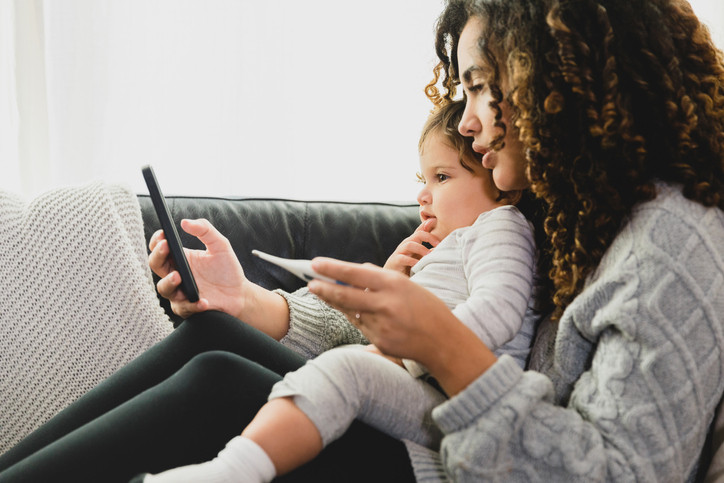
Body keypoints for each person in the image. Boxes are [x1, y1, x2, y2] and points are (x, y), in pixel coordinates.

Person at [1, 0, 724, 481]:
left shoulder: (671, 250)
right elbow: (392, 345)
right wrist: (256, 304)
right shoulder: (567, 210)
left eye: (479, 86)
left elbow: (620, 473)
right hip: (437, 432)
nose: (466, 123)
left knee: (218, 385)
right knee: (210, 346)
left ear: (561, 79)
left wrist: (445, 345)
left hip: (455, 464)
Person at [140, 99, 537, 482]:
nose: (423, 195)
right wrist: (394, 284)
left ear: (500, 184)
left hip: (464, 406)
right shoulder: (445, 246)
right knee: (219, 335)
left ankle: (235, 470)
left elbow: (498, 313)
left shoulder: (499, 223)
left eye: (443, 177)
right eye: (424, 179)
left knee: (346, 368)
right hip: (430, 392)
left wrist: (409, 345)